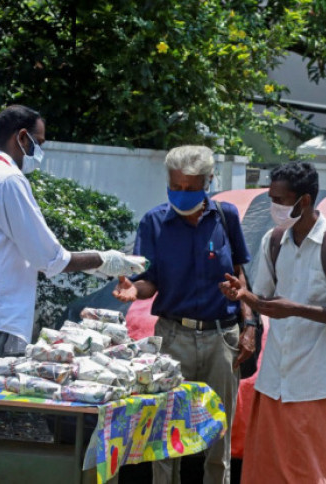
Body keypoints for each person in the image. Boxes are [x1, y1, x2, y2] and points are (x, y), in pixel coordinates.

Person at [0, 104, 135, 389]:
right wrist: (103, 259)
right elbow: (49, 257)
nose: (41, 152)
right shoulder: (8, 180)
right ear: (22, 138)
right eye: (40, 142)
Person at [113, 145, 254, 484]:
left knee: (218, 431)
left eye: (191, 188)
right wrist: (135, 291)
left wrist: (248, 324)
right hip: (172, 338)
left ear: (209, 181)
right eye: (175, 186)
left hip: (222, 337)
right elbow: (148, 280)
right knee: (166, 432)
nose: (182, 194)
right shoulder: (153, 222)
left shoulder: (226, 217)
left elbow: (240, 276)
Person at [219, 162, 326, 484]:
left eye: (281, 200)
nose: (274, 206)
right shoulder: (273, 240)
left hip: (315, 381)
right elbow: (264, 300)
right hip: (274, 380)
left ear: (305, 201)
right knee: (265, 470)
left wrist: (297, 309)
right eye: (271, 197)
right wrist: (244, 297)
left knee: (308, 473)